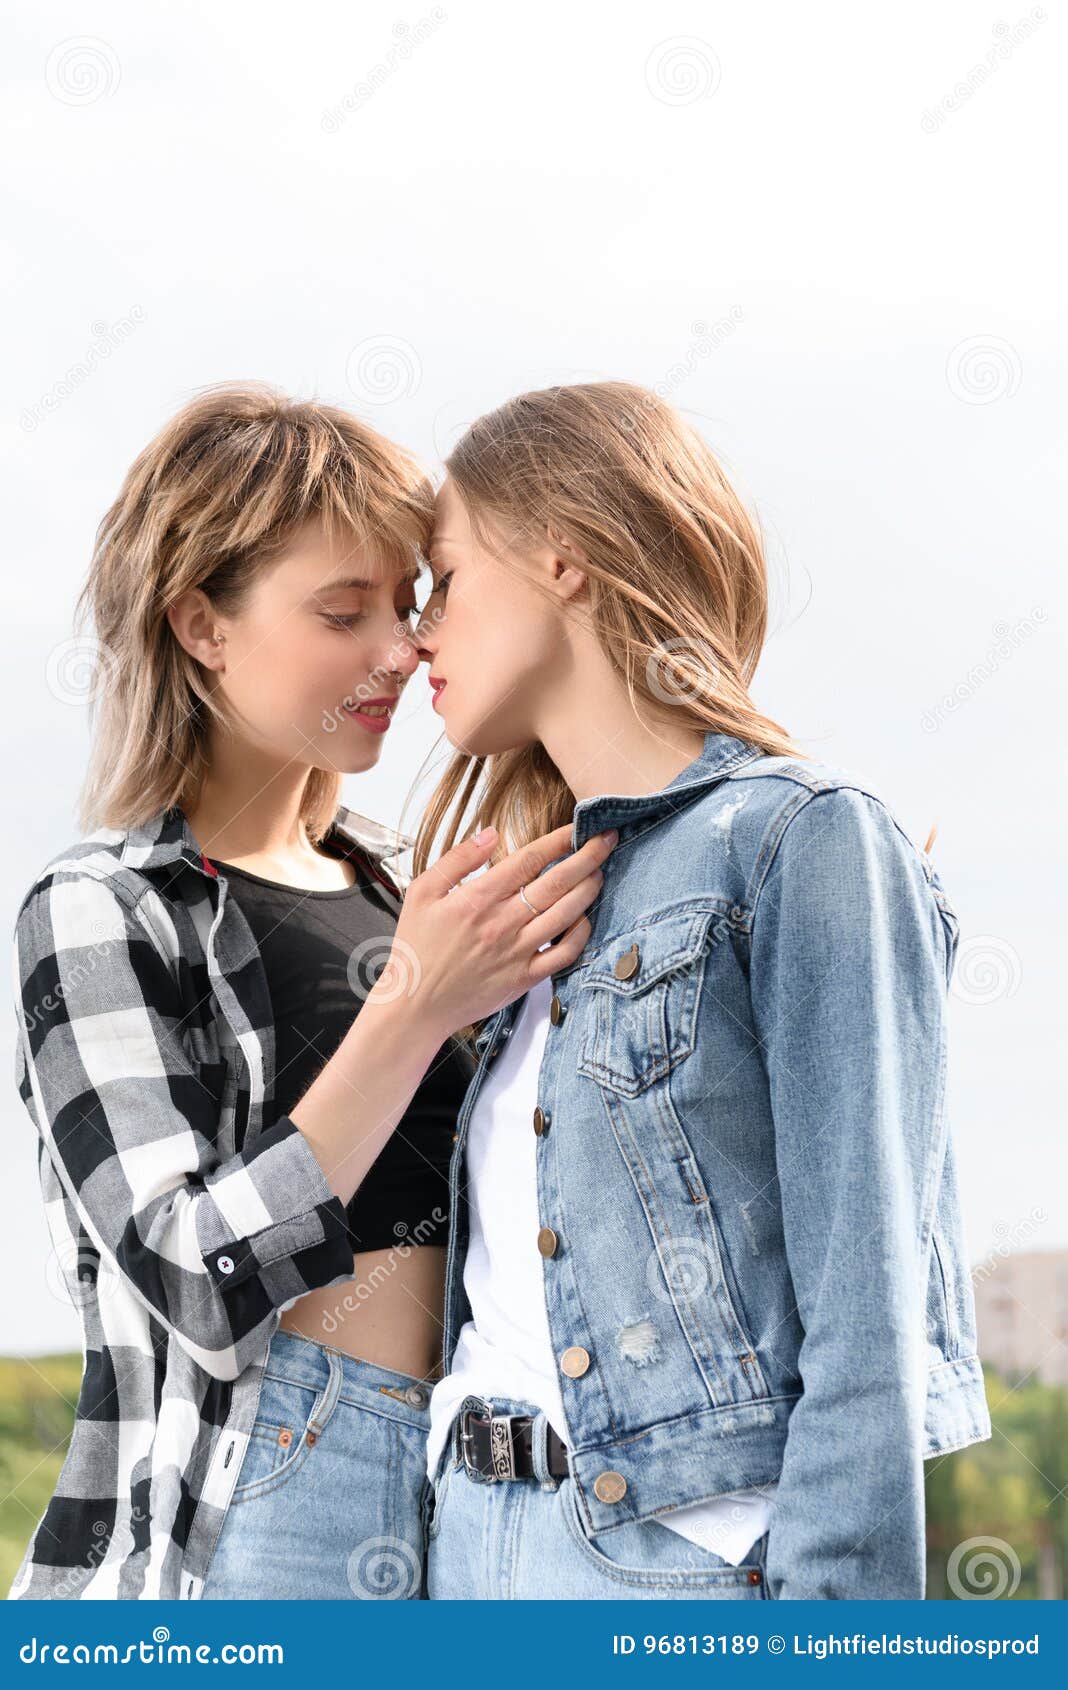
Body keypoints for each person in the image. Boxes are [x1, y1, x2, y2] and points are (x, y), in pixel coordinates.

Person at [9, 384, 616, 1600]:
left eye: (408, 605)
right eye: (344, 612)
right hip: (272, 1472)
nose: (399, 651)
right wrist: (415, 1007)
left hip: (486, 1468)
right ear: (201, 626)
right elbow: (191, 1276)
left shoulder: (412, 884)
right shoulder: (101, 911)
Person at [412, 380, 992, 1600]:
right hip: (467, 1550)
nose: (419, 634)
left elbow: (867, 1299)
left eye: (446, 579)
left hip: (663, 1567)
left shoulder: (801, 838)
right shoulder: (532, 904)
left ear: (561, 558)